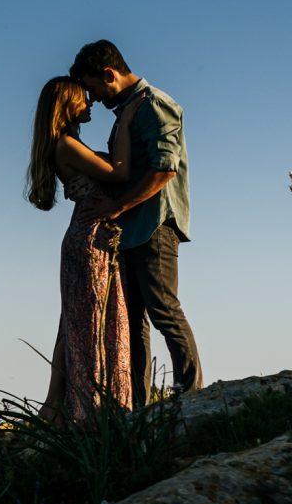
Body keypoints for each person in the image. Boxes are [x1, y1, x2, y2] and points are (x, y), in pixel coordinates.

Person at [70, 39, 202, 407]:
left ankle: (192, 397)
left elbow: (165, 169)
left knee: (163, 310)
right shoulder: (129, 111)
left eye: (94, 88)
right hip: (131, 227)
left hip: (155, 224)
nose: (92, 98)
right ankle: (139, 406)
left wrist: (117, 206)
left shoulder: (154, 105)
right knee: (132, 322)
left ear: (110, 74)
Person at [27, 76, 133, 422]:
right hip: (89, 240)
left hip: (86, 237)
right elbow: (118, 174)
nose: (89, 103)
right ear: (68, 105)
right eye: (82, 99)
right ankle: (88, 411)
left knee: (75, 323)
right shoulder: (67, 146)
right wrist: (127, 122)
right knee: (88, 322)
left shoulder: (67, 144)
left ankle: (55, 409)